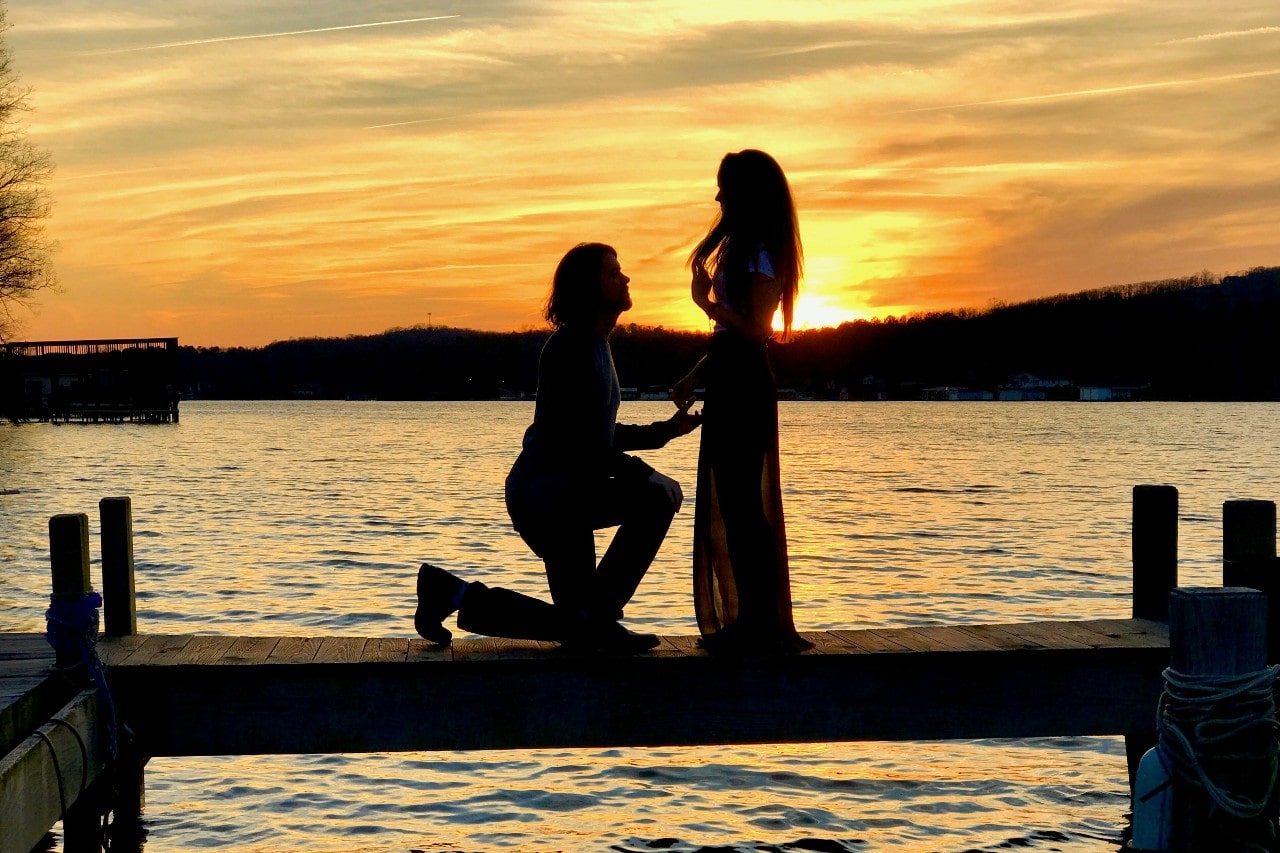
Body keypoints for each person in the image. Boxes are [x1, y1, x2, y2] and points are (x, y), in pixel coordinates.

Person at [415, 242, 702, 653]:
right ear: (589, 288)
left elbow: (598, 433)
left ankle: (449, 592)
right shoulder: (572, 348)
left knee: (575, 626)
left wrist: (666, 431)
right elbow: (581, 443)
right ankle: (597, 621)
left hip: (568, 492)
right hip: (548, 496)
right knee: (653, 499)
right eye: (613, 272)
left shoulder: (596, 344)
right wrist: (648, 474)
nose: (625, 277)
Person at [672, 149, 810, 654]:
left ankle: (760, 623)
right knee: (733, 500)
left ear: (745, 193)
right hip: (731, 374)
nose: (717, 196)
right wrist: (694, 373)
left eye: (724, 187)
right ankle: (749, 620)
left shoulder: (761, 252)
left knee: (744, 504)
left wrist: (705, 305)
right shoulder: (745, 248)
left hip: (747, 381)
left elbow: (755, 331)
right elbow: (730, 336)